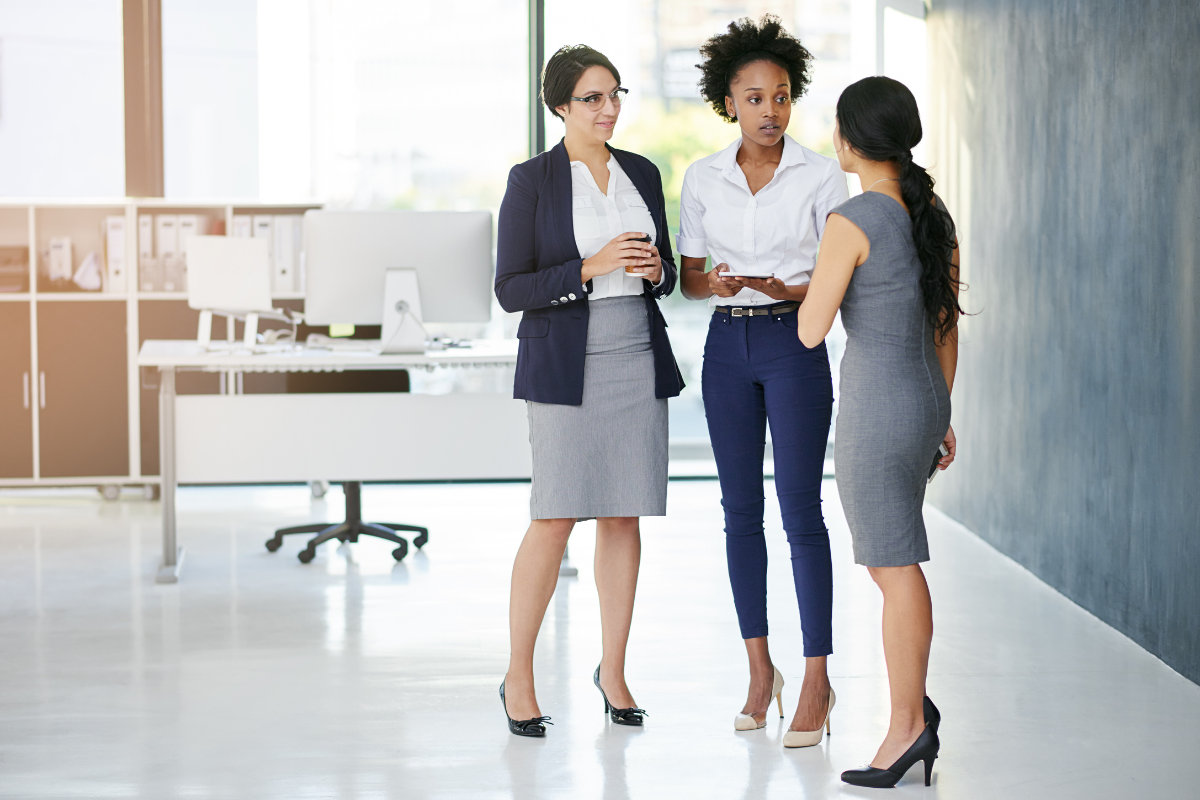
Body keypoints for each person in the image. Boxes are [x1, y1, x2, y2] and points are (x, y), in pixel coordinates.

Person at [493, 44, 684, 738]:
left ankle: (615, 670)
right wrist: (589, 265)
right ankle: (519, 674)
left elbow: (668, 276)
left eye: (615, 95)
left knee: (624, 514)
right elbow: (510, 288)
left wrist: (656, 270)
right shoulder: (532, 181)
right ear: (560, 106)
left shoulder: (643, 172)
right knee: (555, 515)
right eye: (593, 98)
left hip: (636, 351)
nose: (609, 109)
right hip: (565, 360)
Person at [678, 15, 847, 747]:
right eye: (754, 98)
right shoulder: (702, 178)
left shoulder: (822, 175)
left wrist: (787, 289)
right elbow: (688, 278)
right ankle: (759, 671)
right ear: (729, 104)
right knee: (739, 511)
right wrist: (714, 284)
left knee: (801, 512)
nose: (770, 111)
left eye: (781, 96)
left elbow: (838, 276)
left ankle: (817, 679)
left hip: (794, 342)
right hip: (727, 347)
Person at [794, 75, 962, 788]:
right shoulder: (932, 214)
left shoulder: (853, 218)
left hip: (876, 409)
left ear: (850, 140)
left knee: (895, 567)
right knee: (895, 561)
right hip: (921, 404)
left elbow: (810, 329)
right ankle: (912, 711)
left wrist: (806, 276)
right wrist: (940, 414)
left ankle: (907, 727)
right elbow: (946, 328)